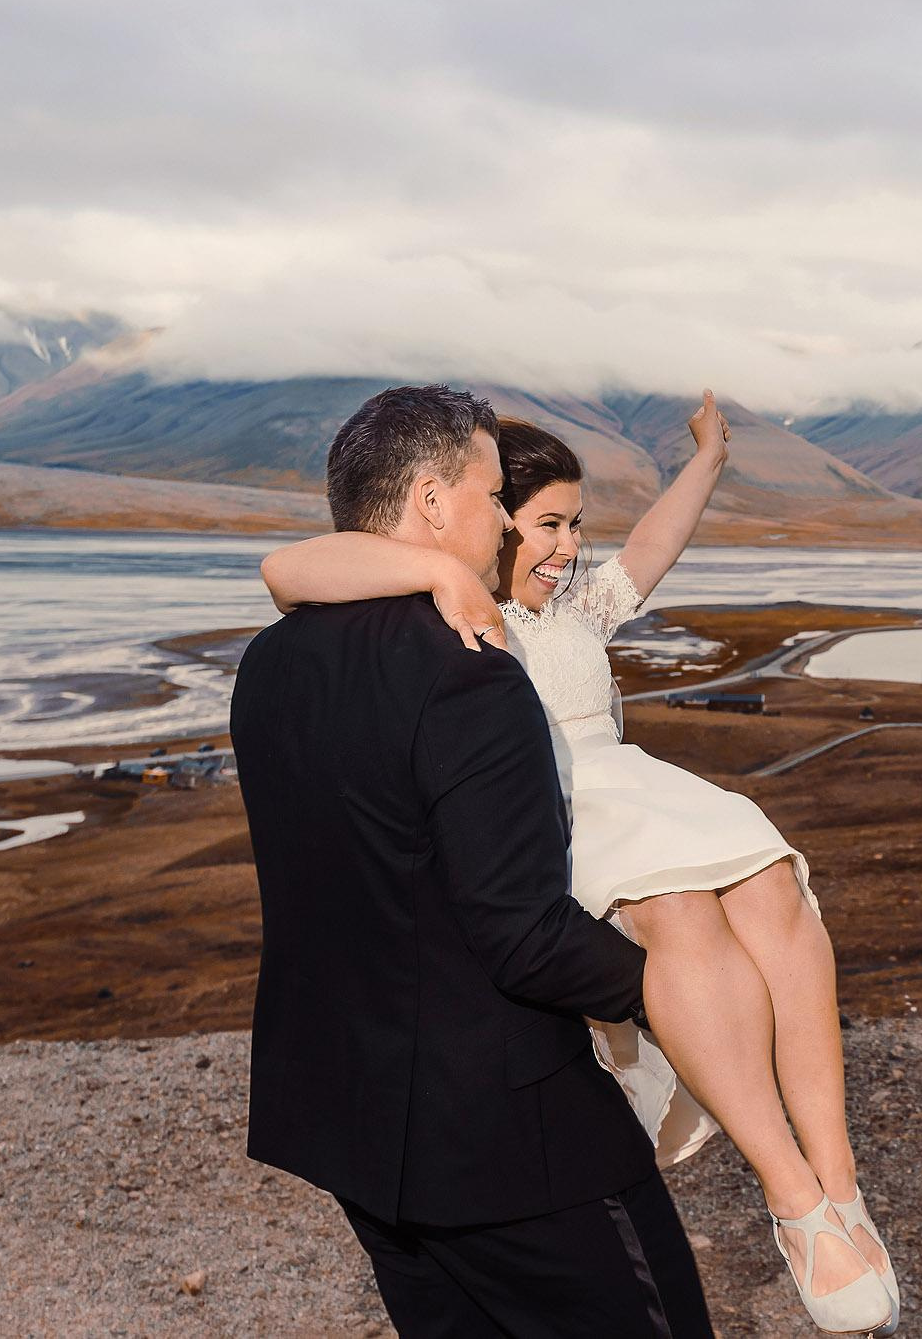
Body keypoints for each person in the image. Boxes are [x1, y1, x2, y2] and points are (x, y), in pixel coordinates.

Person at [262, 391, 899, 1336]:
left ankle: (833, 1187)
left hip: (364, 1095)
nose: (556, 542)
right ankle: (793, 1194)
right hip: (549, 906)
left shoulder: (297, 659)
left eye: (570, 522)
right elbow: (289, 566)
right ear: (454, 507)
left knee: (774, 886)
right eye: (520, 512)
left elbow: (652, 544)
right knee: (683, 919)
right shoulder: (469, 631)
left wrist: (709, 459)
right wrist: (674, 1005)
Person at [231, 384, 714, 1338]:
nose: (503, 522)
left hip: (349, 1125)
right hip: (507, 1135)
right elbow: (522, 935)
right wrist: (673, 990)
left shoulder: (270, 664)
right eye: (493, 497)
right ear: (430, 500)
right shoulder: (473, 674)